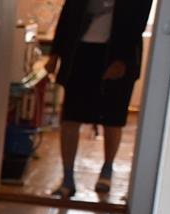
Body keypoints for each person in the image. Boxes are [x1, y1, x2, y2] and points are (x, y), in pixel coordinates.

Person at [45, 0, 153, 198]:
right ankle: (67, 178)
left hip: (116, 55)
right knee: (70, 117)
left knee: (112, 118)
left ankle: (107, 170)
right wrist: (54, 54)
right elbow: (68, 16)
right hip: (80, 54)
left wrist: (122, 60)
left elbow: (136, 23)